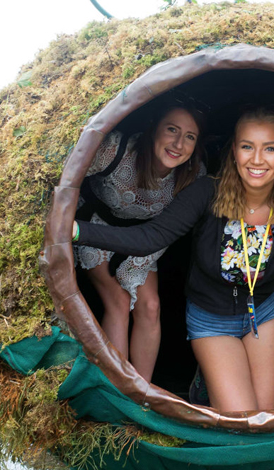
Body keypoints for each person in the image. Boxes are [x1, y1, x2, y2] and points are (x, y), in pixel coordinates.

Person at [73, 107, 274, 412]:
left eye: (270, 148)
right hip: (211, 317)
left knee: (264, 419)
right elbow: (149, 238)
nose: (257, 159)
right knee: (243, 420)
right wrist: (76, 230)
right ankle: (209, 379)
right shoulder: (207, 192)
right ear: (234, 151)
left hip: (265, 313)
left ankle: (213, 386)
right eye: (248, 146)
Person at [73, 104, 205, 382]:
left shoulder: (194, 175)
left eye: (190, 136)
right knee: (119, 301)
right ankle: (119, 389)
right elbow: (66, 174)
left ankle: (142, 393)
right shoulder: (116, 151)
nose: (179, 144)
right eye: (172, 129)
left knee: (150, 306)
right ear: (154, 127)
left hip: (144, 238)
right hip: (95, 226)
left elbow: (171, 228)